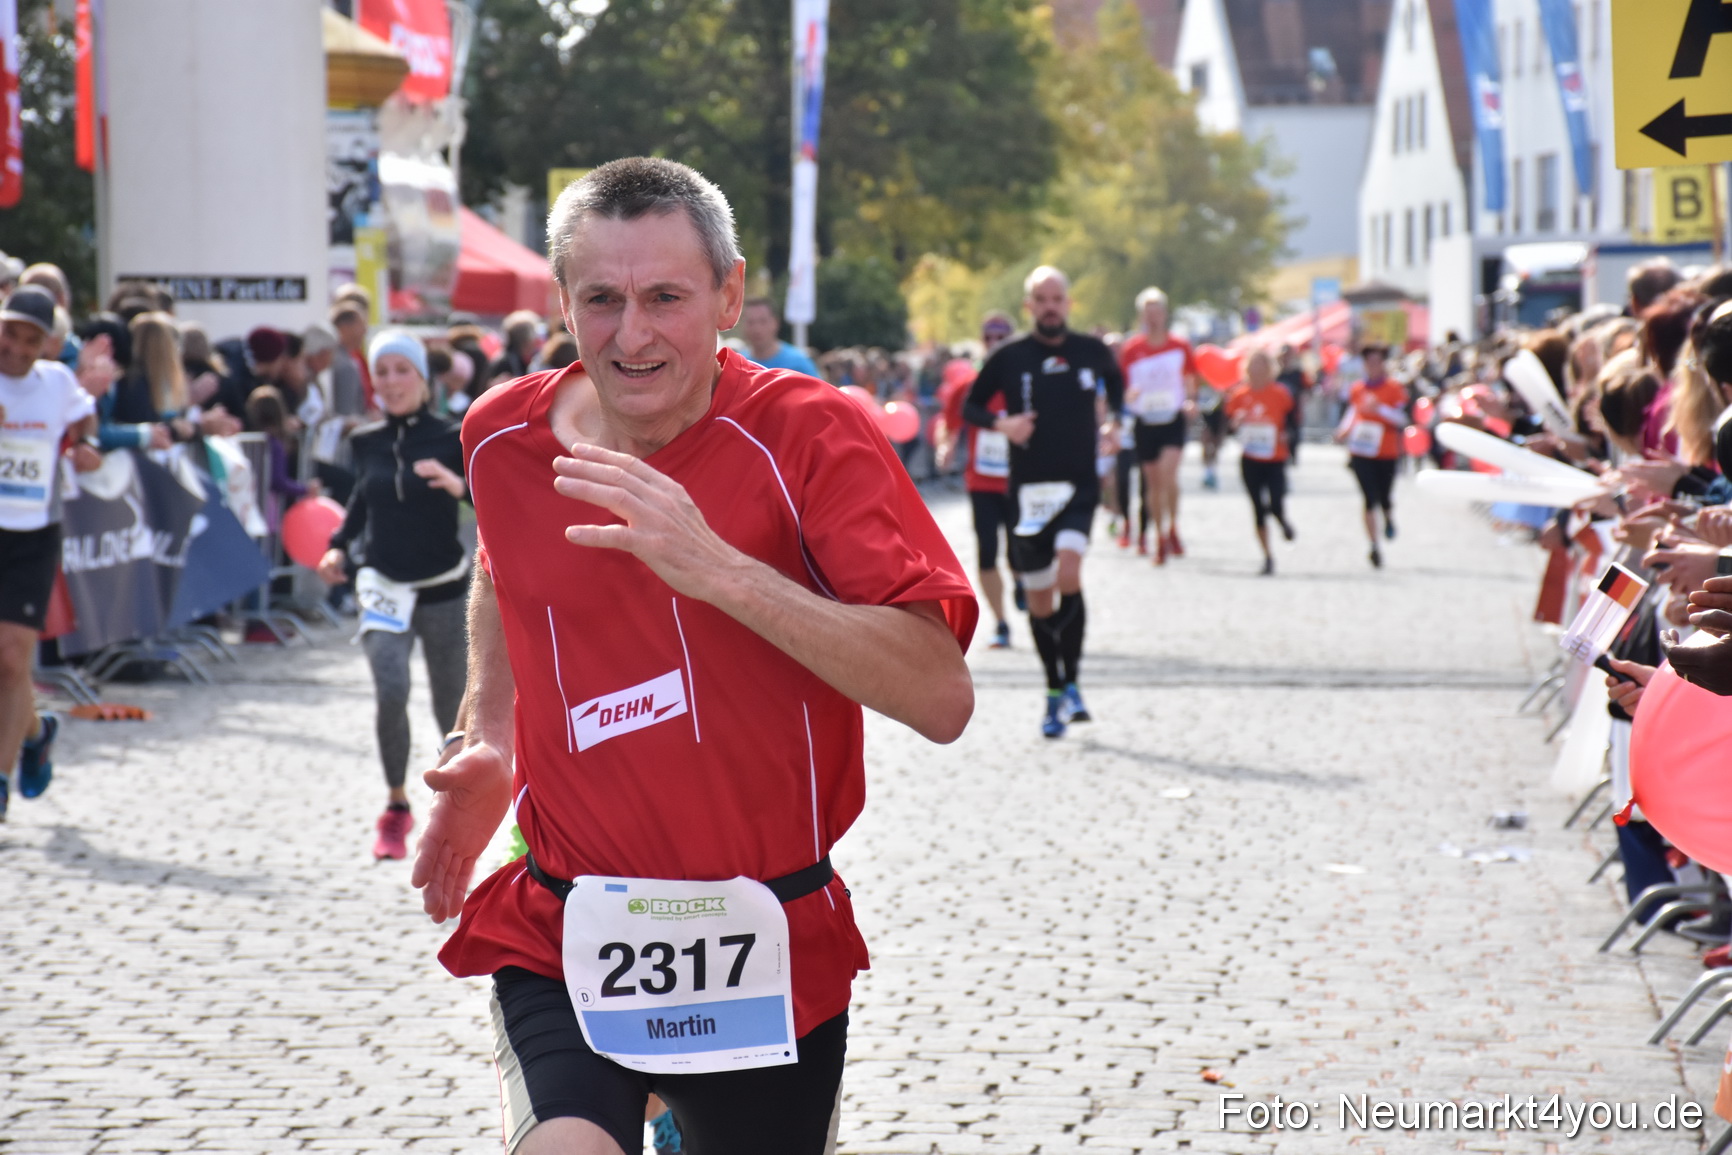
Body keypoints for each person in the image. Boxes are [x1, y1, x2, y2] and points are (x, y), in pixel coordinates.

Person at [409, 157, 974, 1155]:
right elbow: (503, 564)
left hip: (762, 934)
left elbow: (938, 694)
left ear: (730, 294)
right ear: (561, 301)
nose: (632, 336)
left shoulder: (811, 436)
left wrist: (719, 570)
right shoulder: (500, 434)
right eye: (602, 300)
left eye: (666, 298)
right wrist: (488, 734)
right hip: (568, 919)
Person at [317, 331, 468, 861]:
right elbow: (362, 499)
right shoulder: (366, 440)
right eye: (383, 372)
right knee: (390, 686)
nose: (392, 382)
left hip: (443, 584)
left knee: (452, 709)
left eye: (403, 370)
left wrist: (456, 484)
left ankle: (453, 811)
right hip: (381, 582)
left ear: (424, 379)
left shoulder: (454, 435)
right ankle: (396, 807)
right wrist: (338, 546)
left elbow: (487, 495)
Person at [965, 265, 1122, 738]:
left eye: (1058, 298)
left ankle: (1072, 681)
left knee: (1069, 572)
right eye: (1042, 299)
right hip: (1029, 494)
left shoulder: (1091, 352)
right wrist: (1003, 425)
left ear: (1068, 304)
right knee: (1038, 599)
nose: (1051, 306)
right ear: (1029, 307)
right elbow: (971, 406)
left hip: (1078, 487)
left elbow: (1119, 393)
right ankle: (1055, 689)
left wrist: (1115, 424)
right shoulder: (1010, 357)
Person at [0, 285, 97, 819]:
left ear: (47, 345)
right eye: (8, 332)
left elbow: (85, 414)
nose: (14, 347)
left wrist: (88, 445)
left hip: (33, 531)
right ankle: (36, 732)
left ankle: (0, 780)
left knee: (13, 656)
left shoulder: (57, 383)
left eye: (29, 339)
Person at [938, 313, 1019, 648]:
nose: (994, 342)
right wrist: (946, 446)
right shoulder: (968, 386)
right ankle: (1001, 622)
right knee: (987, 551)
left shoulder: (1024, 381)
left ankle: (1025, 582)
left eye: (1001, 337)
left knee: (1020, 553)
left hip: (1020, 482)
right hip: (982, 482)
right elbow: (950, 423)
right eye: (988, 337)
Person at [1116, 287, 1198, 564]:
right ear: (1142, 316)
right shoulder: (1132, 349)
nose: (1152, 318)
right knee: (1153, 482)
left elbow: (1190, 380)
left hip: (1172, 419)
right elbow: (1124, 389)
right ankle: (1159, 535)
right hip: (1145, 421)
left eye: (1157, 312)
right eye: (1147, 313)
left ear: (1164, 314)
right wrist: (1129, 397)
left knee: (1167, 474)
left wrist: (1190, 401)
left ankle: (1171, 527)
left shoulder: (1179, 346)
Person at [1224, 349, 1295, 575]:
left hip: (1275, 457)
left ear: (1269, 369)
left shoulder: (1280, 394)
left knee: (1275, 502)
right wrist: (1235, 423)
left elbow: (1293, 422)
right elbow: (1226, 426)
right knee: (1257, 506)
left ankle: (1282, 520)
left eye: (1261, 366)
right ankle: (1267, 556)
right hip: (1251, 456)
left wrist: (1288, 436)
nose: (1256, 371)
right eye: (1253, 366)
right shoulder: (1239, 395)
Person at [1337, 343, 1407, 568]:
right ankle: (1374, 545)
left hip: (1385, 450)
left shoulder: (1394, 388)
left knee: (1384, 496)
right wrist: (1343, 430)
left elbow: (1402, 419)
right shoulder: (1358, 389)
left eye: (1378, 362)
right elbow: (1353, 412)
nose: (1373, 366)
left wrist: (1380, 410)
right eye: (1370, 362)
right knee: (1368, 498)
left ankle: (1387, 516)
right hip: (1361, 450)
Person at [739, 296, 820, 376]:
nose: (757, 329)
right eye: (750, 322)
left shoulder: (799, 363)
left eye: (763, 321)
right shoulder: (739, 365)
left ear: (776, 323)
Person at [1274, 344, 1309, 467]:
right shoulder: (1275, 374)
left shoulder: (1298, 373)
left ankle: (1293, 455)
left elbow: (1305, 390)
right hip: (1277, 409)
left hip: (1293, 409)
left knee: (1294, 432)